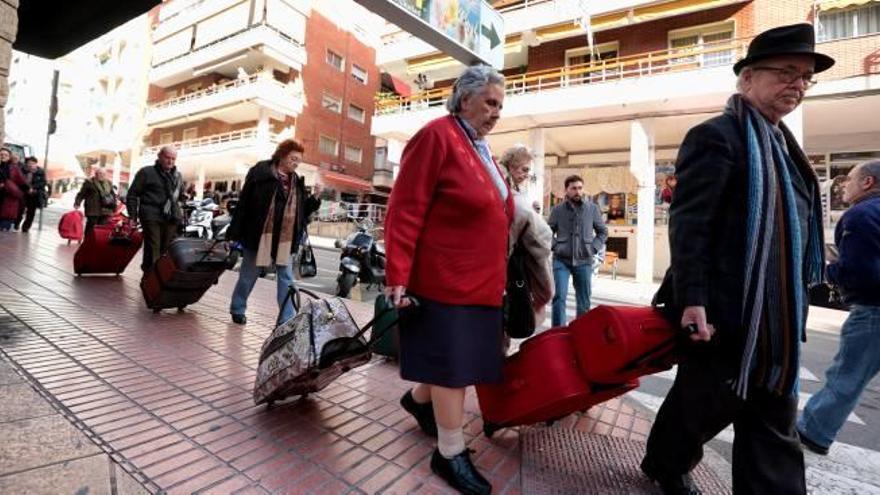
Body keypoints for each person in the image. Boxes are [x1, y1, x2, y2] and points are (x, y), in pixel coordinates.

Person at [641, 24, 833, 495]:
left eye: (806, 76)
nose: (799, 84)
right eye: (786, 72)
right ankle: (665, 462)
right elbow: (690, 225)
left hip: (779, 322)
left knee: (773, 423)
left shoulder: (787, 149)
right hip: (725, 313)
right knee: (700, 405)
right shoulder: (716, 137)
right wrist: (694, 300)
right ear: (746, 79)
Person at [384, 65, 511, 495]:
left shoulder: (481, 148)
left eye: (500, 106)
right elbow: (405, 207)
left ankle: (418, 401)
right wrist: (397, 274)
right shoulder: (437, 135)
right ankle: (450, 451)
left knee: (466, 361)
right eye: (490, 103)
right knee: (454, 367)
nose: (496, 113)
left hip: (482, 281)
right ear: (464, 99)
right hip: (444, 279)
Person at [797, 160, 880, 455]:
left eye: (850, 180)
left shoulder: (861, 215)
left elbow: (861, 271)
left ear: (867, 183)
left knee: (846, 377)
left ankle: (812, 431)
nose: (843, 186)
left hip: (873, 311)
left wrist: (828, 270)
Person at [226, 139, 321, 325]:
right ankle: (237, 308)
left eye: (298, 161)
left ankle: (286, 319)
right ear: (282, 155)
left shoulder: (296, 182)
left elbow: (302, 211)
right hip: (259, 236)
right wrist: (233, 233)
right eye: (293, 159)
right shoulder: (260, 173)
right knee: (248, 275)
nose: (295, 163)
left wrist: (316, 198)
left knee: (286, 278)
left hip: (285, 239)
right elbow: (244, 204)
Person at [499, 144, 554, 325]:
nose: (525, 175)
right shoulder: (515, 199)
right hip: (505, 269)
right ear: (512, 167)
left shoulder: (500, 189)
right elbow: (541, 241)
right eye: (524, 169)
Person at [548, 175, 607, 327]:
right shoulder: (557, 210)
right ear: (566, 190)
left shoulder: (592, 209)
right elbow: (547, 233)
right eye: (573, 188)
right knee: (559, 296)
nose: (577, 191)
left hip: (584, 261)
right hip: (561, 260)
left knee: (584, 300)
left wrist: (593, 248)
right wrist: (556, 246)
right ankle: (557, 332)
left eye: (580, 188)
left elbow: (602, 232)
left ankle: (582, 332)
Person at [127, 146, 184, 272]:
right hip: (151, 215)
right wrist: (132, 216)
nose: (170, 162)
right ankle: (152, 278)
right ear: (159, 156)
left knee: (166, 249)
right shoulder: (146, 172)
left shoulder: (178, 176)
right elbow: (132, 194)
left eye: (173, 159)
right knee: (153, 247)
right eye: (167, 158)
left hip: (171, 217)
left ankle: (154, 277)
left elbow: (181, 197)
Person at [75, 166, 116, 232]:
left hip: (106, 210)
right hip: (93, 209)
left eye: (103, 174)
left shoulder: (108, 183)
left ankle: (97, 242)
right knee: (91, 227)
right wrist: (77, 203)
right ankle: (88, 241)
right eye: (100, 173)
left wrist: (114, 207)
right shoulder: (89, 182)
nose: (101, 175)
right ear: (96, 174)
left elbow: (113, 195)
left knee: (101, 229)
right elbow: (81, 194)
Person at [0, 148, 30, 232]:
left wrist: (27, 191)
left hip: (8, 200)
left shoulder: (14, 168)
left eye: (5, 155)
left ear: (9, 157)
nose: (3, 156)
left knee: (3, 232)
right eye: (1, 155)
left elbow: (23, 182)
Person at [18, 157, 47, 233]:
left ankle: (26, 227)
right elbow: (20, 181)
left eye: (33, 163)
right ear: (26, 164)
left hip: (34, 195)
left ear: (36, 164)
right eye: (29, 163)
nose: (31, 165)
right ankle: (16, 224)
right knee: (20, 210)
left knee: (31, 212)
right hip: (24, 193)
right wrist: (27, 188)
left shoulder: (41, 172)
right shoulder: (23, 171)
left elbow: (43, 183)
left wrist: (33, 188)